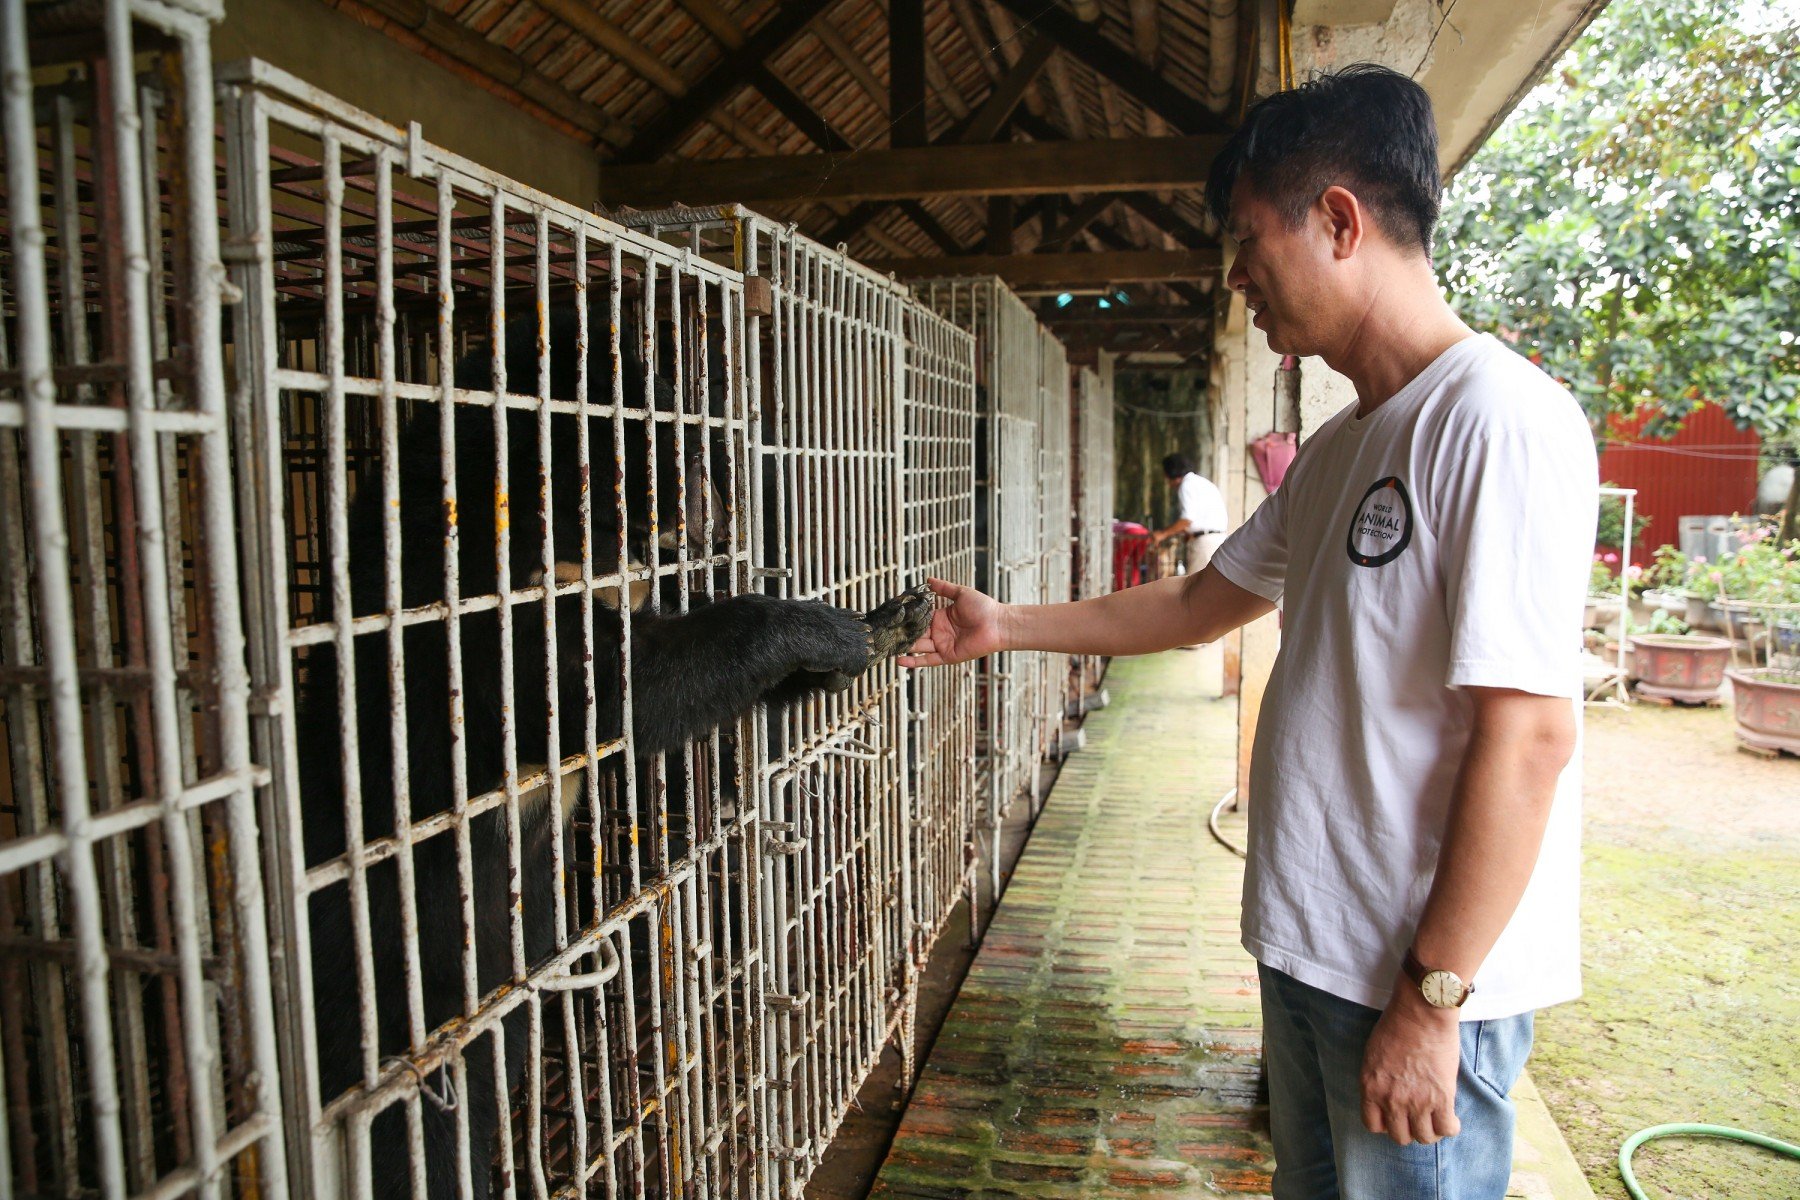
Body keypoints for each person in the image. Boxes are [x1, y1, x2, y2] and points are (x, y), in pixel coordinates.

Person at [900, 63, 1595, 1200]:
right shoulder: (1340, 449)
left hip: (1413, 982)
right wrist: (1004, 625)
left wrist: (1433, 1001)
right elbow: (1193, 604)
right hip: (1318, 951)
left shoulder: (1498, 420)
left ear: (1336, 222)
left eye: (1246, 237)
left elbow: (1529, 739)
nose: (1236, 276)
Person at [1153, 453, 1231, 578]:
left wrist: (1163, 534)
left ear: (1170, 474)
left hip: (1205, 543)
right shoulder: (1202, 483)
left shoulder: (1186, 485)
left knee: (1196, 591)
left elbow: (1187, 519)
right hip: (1217, 540)